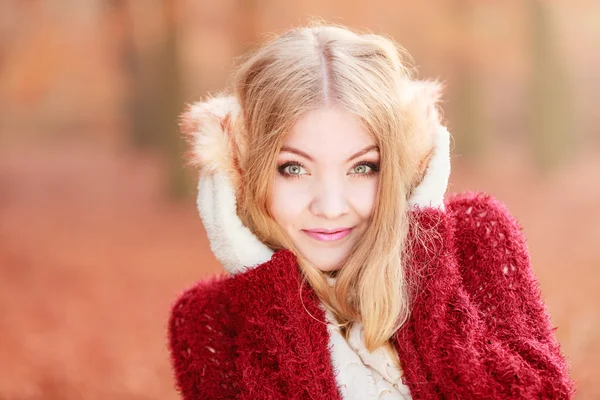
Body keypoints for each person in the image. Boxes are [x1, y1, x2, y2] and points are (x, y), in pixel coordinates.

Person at [167, 23, 574, 399]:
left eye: (363, 167)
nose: (329, 206)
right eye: (293, 169)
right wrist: (263, 287)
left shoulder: (475, 239)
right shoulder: (209, 321)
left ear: (405, 163)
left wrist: (421, 252)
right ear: (242, 172)